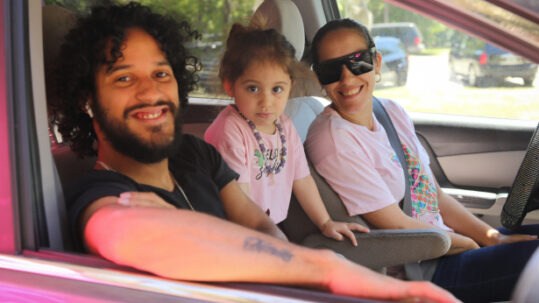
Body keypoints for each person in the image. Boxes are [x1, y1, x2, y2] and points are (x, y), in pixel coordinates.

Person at [49, 3, 459, 302]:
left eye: (161, 73)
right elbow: (125, 231)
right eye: (123, 77)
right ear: (87, 99)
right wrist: (328, 271)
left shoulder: (193, 154)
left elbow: (258, 225)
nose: (151, 91)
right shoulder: (97, 190)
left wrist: (297, 276)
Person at [305, 18, 539, 302]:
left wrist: (493, 239)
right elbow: (398, 226)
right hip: (420, 267)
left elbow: (433, 195)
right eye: (331, 69)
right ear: (319, 78)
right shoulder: (334, 140)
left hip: (443, 243)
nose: (347, 78)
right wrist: (474, 246)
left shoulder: (389, 111)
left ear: (377, 62)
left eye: (357, 61)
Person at [204, 23, 368, 246]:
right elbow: (239, 203)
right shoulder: (230, 130)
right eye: (253, 89)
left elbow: (302, 179)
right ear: (230, 86)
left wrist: (325, 222)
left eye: (277, 89)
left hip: (267, 229)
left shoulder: (284, 126)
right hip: (235, 232)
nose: (266, 102)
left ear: (290, 86)